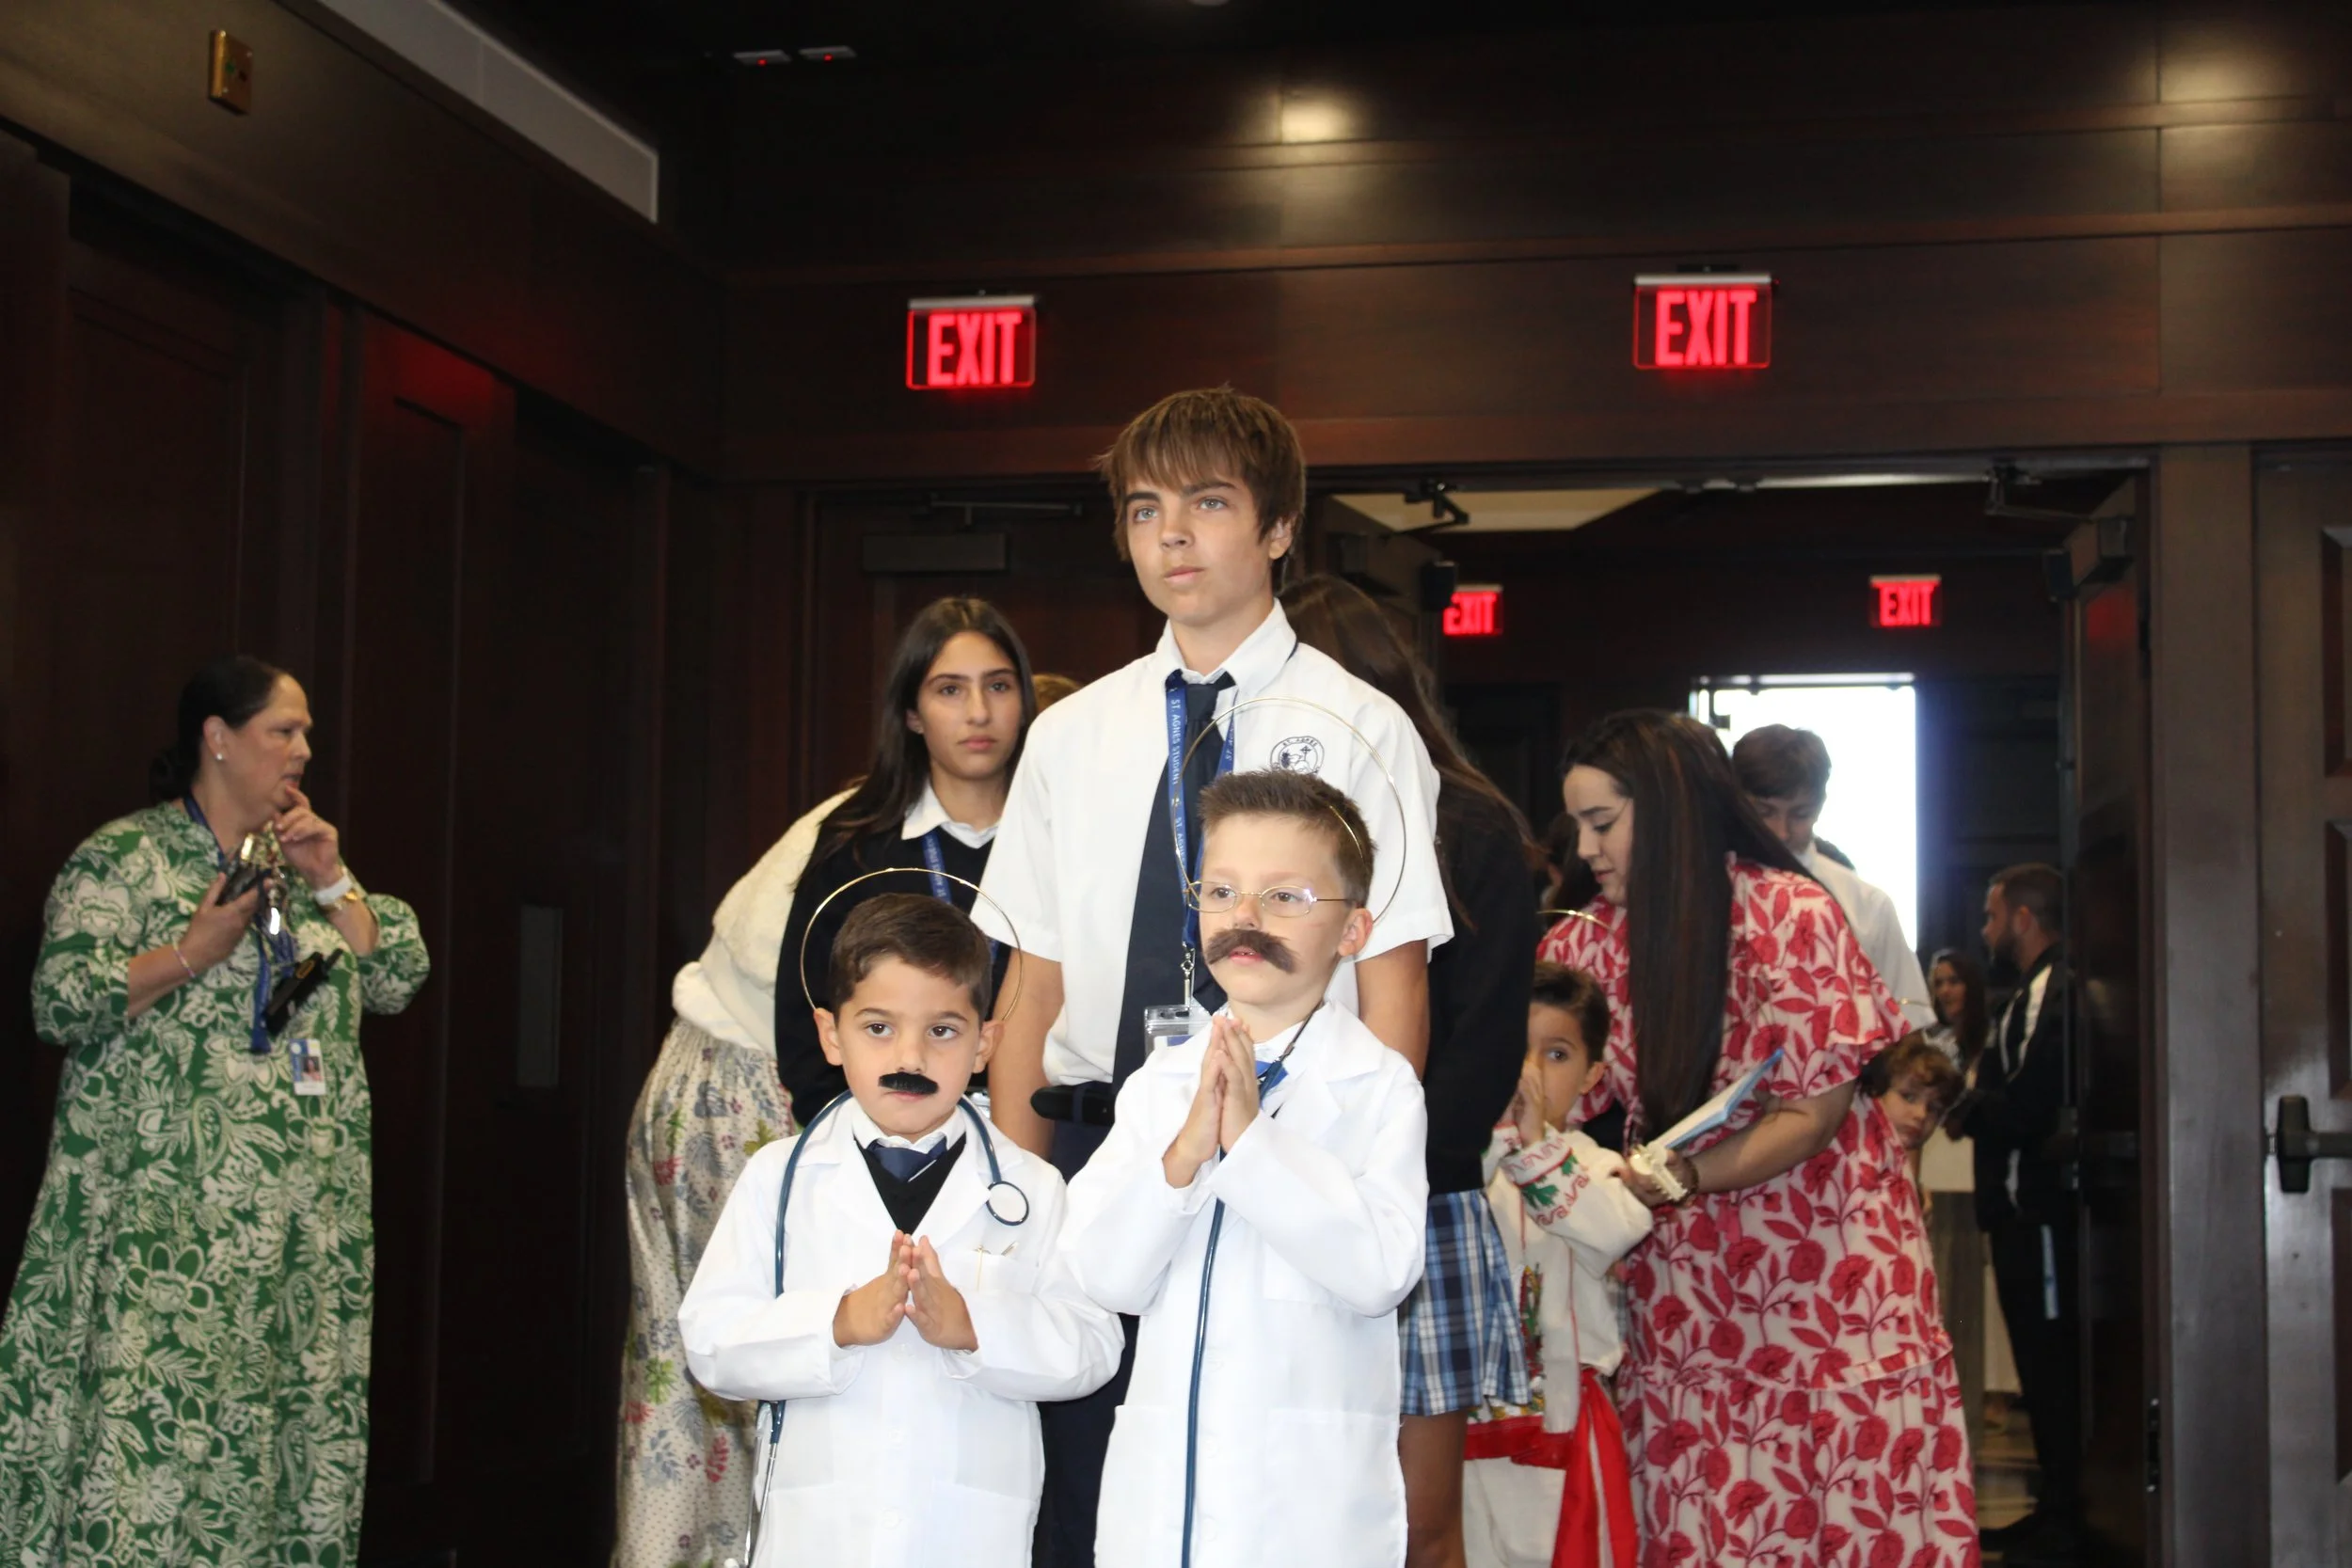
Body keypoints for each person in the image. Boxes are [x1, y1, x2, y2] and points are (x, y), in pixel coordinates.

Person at [976, 387, 1450, 1564]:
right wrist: (1017, 1203)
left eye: (1208, 503)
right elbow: (1031, 989)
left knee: (1258, 1496)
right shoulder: (1072, 732)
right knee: (1082, 1501)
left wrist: (1345, 1163)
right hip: (1101, 1147)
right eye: (1144, 510)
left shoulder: (1361, 726)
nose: (1172, 535)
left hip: (1286, 1148)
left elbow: (1394, 986)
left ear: (1280, 527)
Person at [0, 655, 431, 1565]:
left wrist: (332, 878)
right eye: (284, 730)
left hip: (299, 1237)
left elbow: (396, 974)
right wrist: (192, 951)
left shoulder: (302, 866)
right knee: (151, 1452)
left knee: (280, 1458)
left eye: (307, 733)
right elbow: (60, 1000)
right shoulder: (127, 858)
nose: (303, 749)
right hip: (163, 1231)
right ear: (218, 738)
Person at [1538, 710, 1971, 1565]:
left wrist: (1688, 1173)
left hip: (1833, 1276)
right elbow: (1560, 1095)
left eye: (1603, 822)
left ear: (1669, 809)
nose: (1586, 848)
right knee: (1709, 1515)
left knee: (1844, 1506)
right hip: (1690, 1291)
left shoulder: (1793, 913)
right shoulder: (1588, 941)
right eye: (1579, 825)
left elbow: (1814, 1115)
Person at [678, 895, 1122, 1567]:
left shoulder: (1032, 1188)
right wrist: (837, 1322)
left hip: (968, 1540)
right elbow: (712, 1343)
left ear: (985, 1044)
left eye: (942, 1030)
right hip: (819, 1540)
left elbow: (1093, 1347)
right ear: (831, 1035)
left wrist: (974, 1326)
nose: (910, 1055)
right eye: (879, 1027)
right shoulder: (779, 1179)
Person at [1062, 769, 1429, 1568]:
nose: (1245, 920)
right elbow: (1103, 1274)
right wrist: (1186, 1155)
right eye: (1222, 892)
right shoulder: (1161, 1085)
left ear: (1354, 930)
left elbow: (1381, 1271)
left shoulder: (1379, 1087)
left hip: (1304, 1513)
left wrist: (1253, 1143)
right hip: (1163, 1512)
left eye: (1285, 896)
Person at [1281, 573, 1536, 1568]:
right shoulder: (1271, 829)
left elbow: (1483, 1047)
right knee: (1297, 1518)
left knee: (1419, 1525)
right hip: (1278, 1193)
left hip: (1417, 1196)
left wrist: (1371, 1167)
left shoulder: (1466, 822)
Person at [775, 597, 1037, 1117]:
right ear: (913, 714)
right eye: (950, 690)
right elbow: (805, 1025)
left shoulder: (1064, 834)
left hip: (1038, 1127)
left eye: (998, 686)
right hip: (883, 1129)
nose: (979, 712)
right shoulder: (856, 845)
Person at [1463, 963, 1652, 1568]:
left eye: (1557, 1054)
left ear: (1593, 1073)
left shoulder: (1595, 1166)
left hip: (1563, 1428)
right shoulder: (1463, 1160)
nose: (1530, 1071)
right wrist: (1497, 1142)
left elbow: (1615, 1229)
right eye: (1515, 1048)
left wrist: (1534, 1143)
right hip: (1463, 1426)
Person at [1945, 864, 2077, 1562]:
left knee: (2052, 1363)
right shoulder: (2028, 991)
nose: (1986, 930)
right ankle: (2054, 1505)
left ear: (2024, 918)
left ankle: (2067, 1515)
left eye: (1993, 917)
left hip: (2037, 1211)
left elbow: (2029, 1103)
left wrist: (1959, 1103)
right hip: (2017, 1210)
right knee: (2035, 1358)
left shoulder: (2051, 988)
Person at [1732, 724, 1933, 1030]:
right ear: (1737, 803)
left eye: (1800, 814)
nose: (1781, 832)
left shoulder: (1867, 906)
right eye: (1764, 812)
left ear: (1821, 804)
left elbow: (1909, 1026)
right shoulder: (1705, 892)